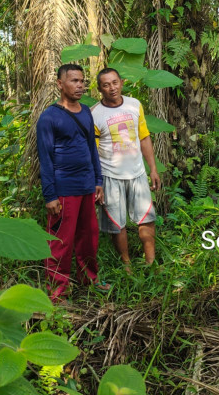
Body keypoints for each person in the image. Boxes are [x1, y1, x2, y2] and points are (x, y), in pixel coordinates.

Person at [36, 63, 109, 301]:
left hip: (87, 186)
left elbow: (91, 148)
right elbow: (45, 158)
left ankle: (90, 280)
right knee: (61, 243)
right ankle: (58, 293)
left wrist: (98, 180)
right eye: (74, 81)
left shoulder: (86, 111)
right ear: (60, 84)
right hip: (64, 190)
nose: (80, 85)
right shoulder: (49, 117)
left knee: (88, 238)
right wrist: (50, 195)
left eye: (82, 81)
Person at [91, 68, 162, 268]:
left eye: (114, 83)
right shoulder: (95, 114)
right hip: (109, 176)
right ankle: (127, 264)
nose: (111, 88)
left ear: (122, 82)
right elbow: (93, 152)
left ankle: (151, 262)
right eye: (106, 85)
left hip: (137, 173)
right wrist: (97, 183)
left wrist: (153, 169)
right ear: (99, 89)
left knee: (146, 219)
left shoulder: (134, 105)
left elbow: (144, 137)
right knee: (117, 224)